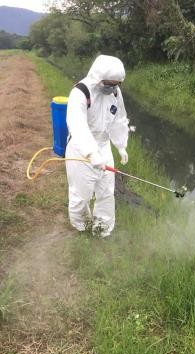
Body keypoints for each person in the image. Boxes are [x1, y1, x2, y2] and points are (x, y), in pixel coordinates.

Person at [65, 54, 129, 238]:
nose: (111, 88)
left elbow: (119, 118)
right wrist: (92, 154)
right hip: (81, 148)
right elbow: (77, 125)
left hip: (104, 145)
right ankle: (81, 225)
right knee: (82, 193)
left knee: (106, 191)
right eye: (108, 84)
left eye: (115, 84)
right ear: (98, 78)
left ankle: (102, 228)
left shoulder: (115, 92)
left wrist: (121, 146)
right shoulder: (81, 92)